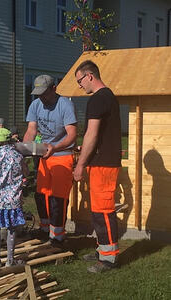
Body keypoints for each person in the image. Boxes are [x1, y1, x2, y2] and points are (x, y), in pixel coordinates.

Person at [73, 60, 121, 273]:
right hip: (102, 161)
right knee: (98, 210)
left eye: (80, 80)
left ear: (90, 76)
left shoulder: (98, 99)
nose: (80, 85)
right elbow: (99, 135)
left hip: (103, 164)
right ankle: (103, 249)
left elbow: (91, 134)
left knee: (103, 211)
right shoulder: (107, 97)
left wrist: (80, 164)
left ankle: (109, 258)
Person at [23, 75, 77, 245]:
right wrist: (23, 151)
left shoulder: (65, 105)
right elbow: (31, 130)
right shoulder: (35, 105)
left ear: (54, 89)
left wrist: (56, 148)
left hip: (63, 155)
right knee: (41, 194)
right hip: (44, 156)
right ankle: (45, 229)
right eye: (38, 94)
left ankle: (58, 235)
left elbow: (72, 135)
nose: (41, 98)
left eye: (44, 93)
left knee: (58, 198)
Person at [0, 128, 28, 267]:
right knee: (12, 228)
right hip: (13, 200)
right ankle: (10, 260)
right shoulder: (18, 156)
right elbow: (26, 172)